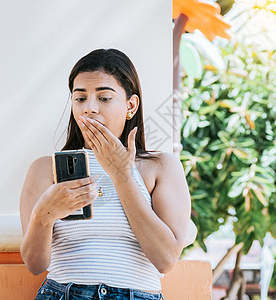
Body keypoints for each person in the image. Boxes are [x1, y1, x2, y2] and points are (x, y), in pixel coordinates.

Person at [20, 48, 191, 300]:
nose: (89, 108)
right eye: (80, 99)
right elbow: (35, 265)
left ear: (130, 105)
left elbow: (165, 259)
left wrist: (122, 176)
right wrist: (43, 217)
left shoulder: (161, 167)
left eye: (104, 98)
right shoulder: (45, 169)